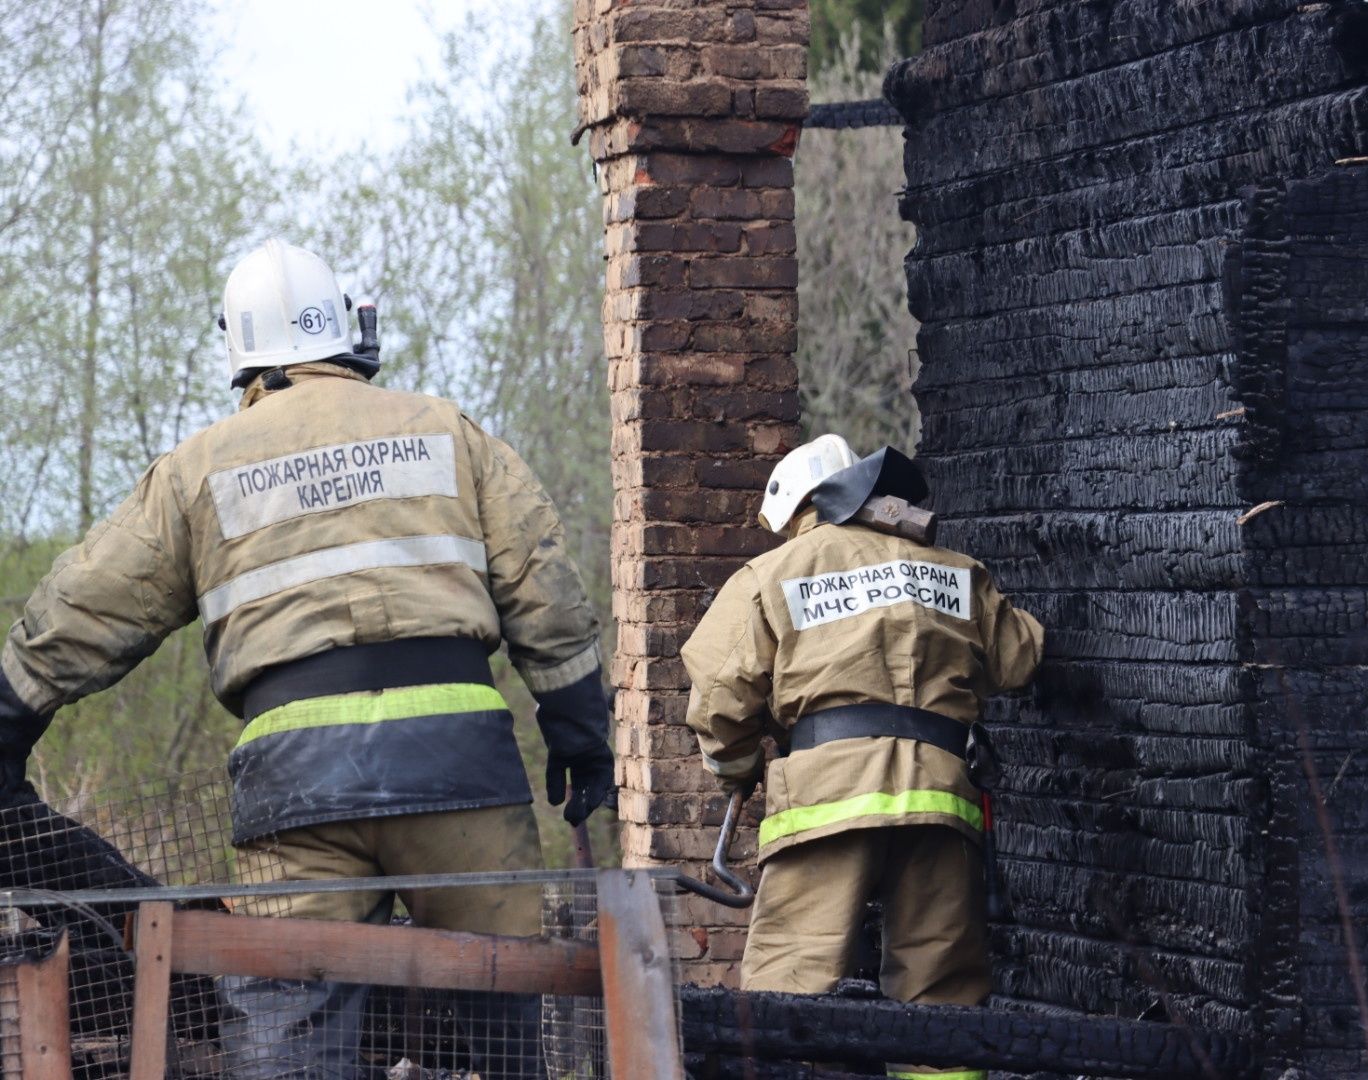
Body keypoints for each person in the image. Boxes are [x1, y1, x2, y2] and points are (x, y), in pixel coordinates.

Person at [0, 239, 614, 1078]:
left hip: (296, 785)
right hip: (460, 770)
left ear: (244, 357)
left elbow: (87, 603)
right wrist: (581, 734)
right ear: (343, 333)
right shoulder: (446, 432)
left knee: (292, 1029)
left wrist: (9, 721)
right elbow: (546, 589)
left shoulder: (200, 469)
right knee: (501, 1012)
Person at [681, 434, 1044, 1080]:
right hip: (940, 803)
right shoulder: (952, 570)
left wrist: (737, 768)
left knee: (785, 997)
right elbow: (1021, 656)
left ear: (800, 511)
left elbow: (718, 697)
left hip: (825, 805)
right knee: (941, 1013)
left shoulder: (777, 573)